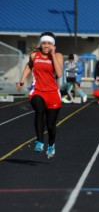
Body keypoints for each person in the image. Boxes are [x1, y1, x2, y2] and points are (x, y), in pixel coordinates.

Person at [16, 31, 64, 159]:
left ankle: (51, 144)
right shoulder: (34, 55)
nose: (46, 45)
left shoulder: (58, 55)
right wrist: (21, 80)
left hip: (53, 93)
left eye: (49, 43)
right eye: (44, 43)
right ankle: (39, 141)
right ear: (40, 44)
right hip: (37, 90)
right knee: (39, 110)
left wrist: (52, 54)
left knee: (51, 125)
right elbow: (28, 66)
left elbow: (59, 74)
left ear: (53, 45)